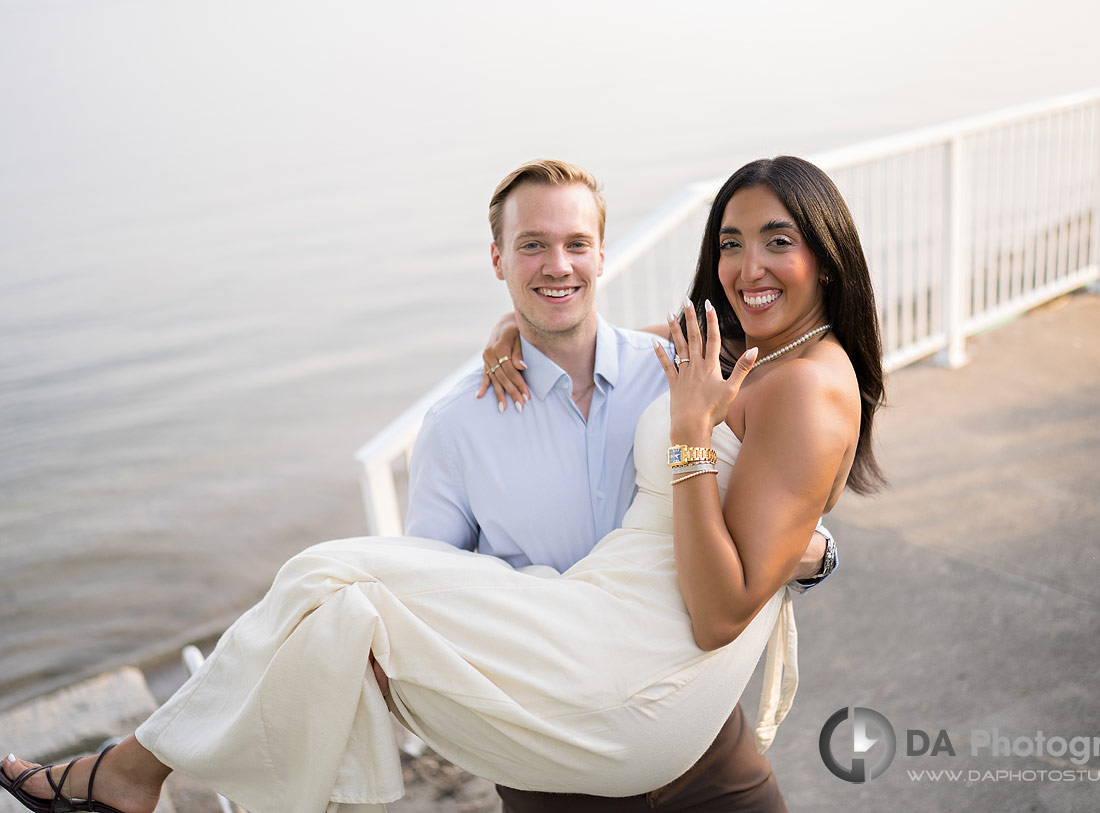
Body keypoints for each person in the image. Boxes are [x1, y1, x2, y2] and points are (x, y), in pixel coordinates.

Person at [1, 155, 885, 813]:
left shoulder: (759, 384)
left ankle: (133, 771)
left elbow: (726, 594)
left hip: (673, 720)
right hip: (556, 737)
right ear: (498, 259)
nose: (748, 265)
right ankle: (140, 770)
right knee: (336, 600)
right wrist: (518, 329)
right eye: (731, 243)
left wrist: (725, 472)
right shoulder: (684, 359)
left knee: (322, 573)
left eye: (779, 241)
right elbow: (436, 566)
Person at [401, 159, 837, 811]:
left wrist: (816, 553)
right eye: (532, 246)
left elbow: (780, 479)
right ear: (498, 260)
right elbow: (431, 601)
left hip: (705, 748)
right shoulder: (455, 428)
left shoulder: (680, 369)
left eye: (576, 243)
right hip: (555, 769)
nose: (558, 265)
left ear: (602, 254)